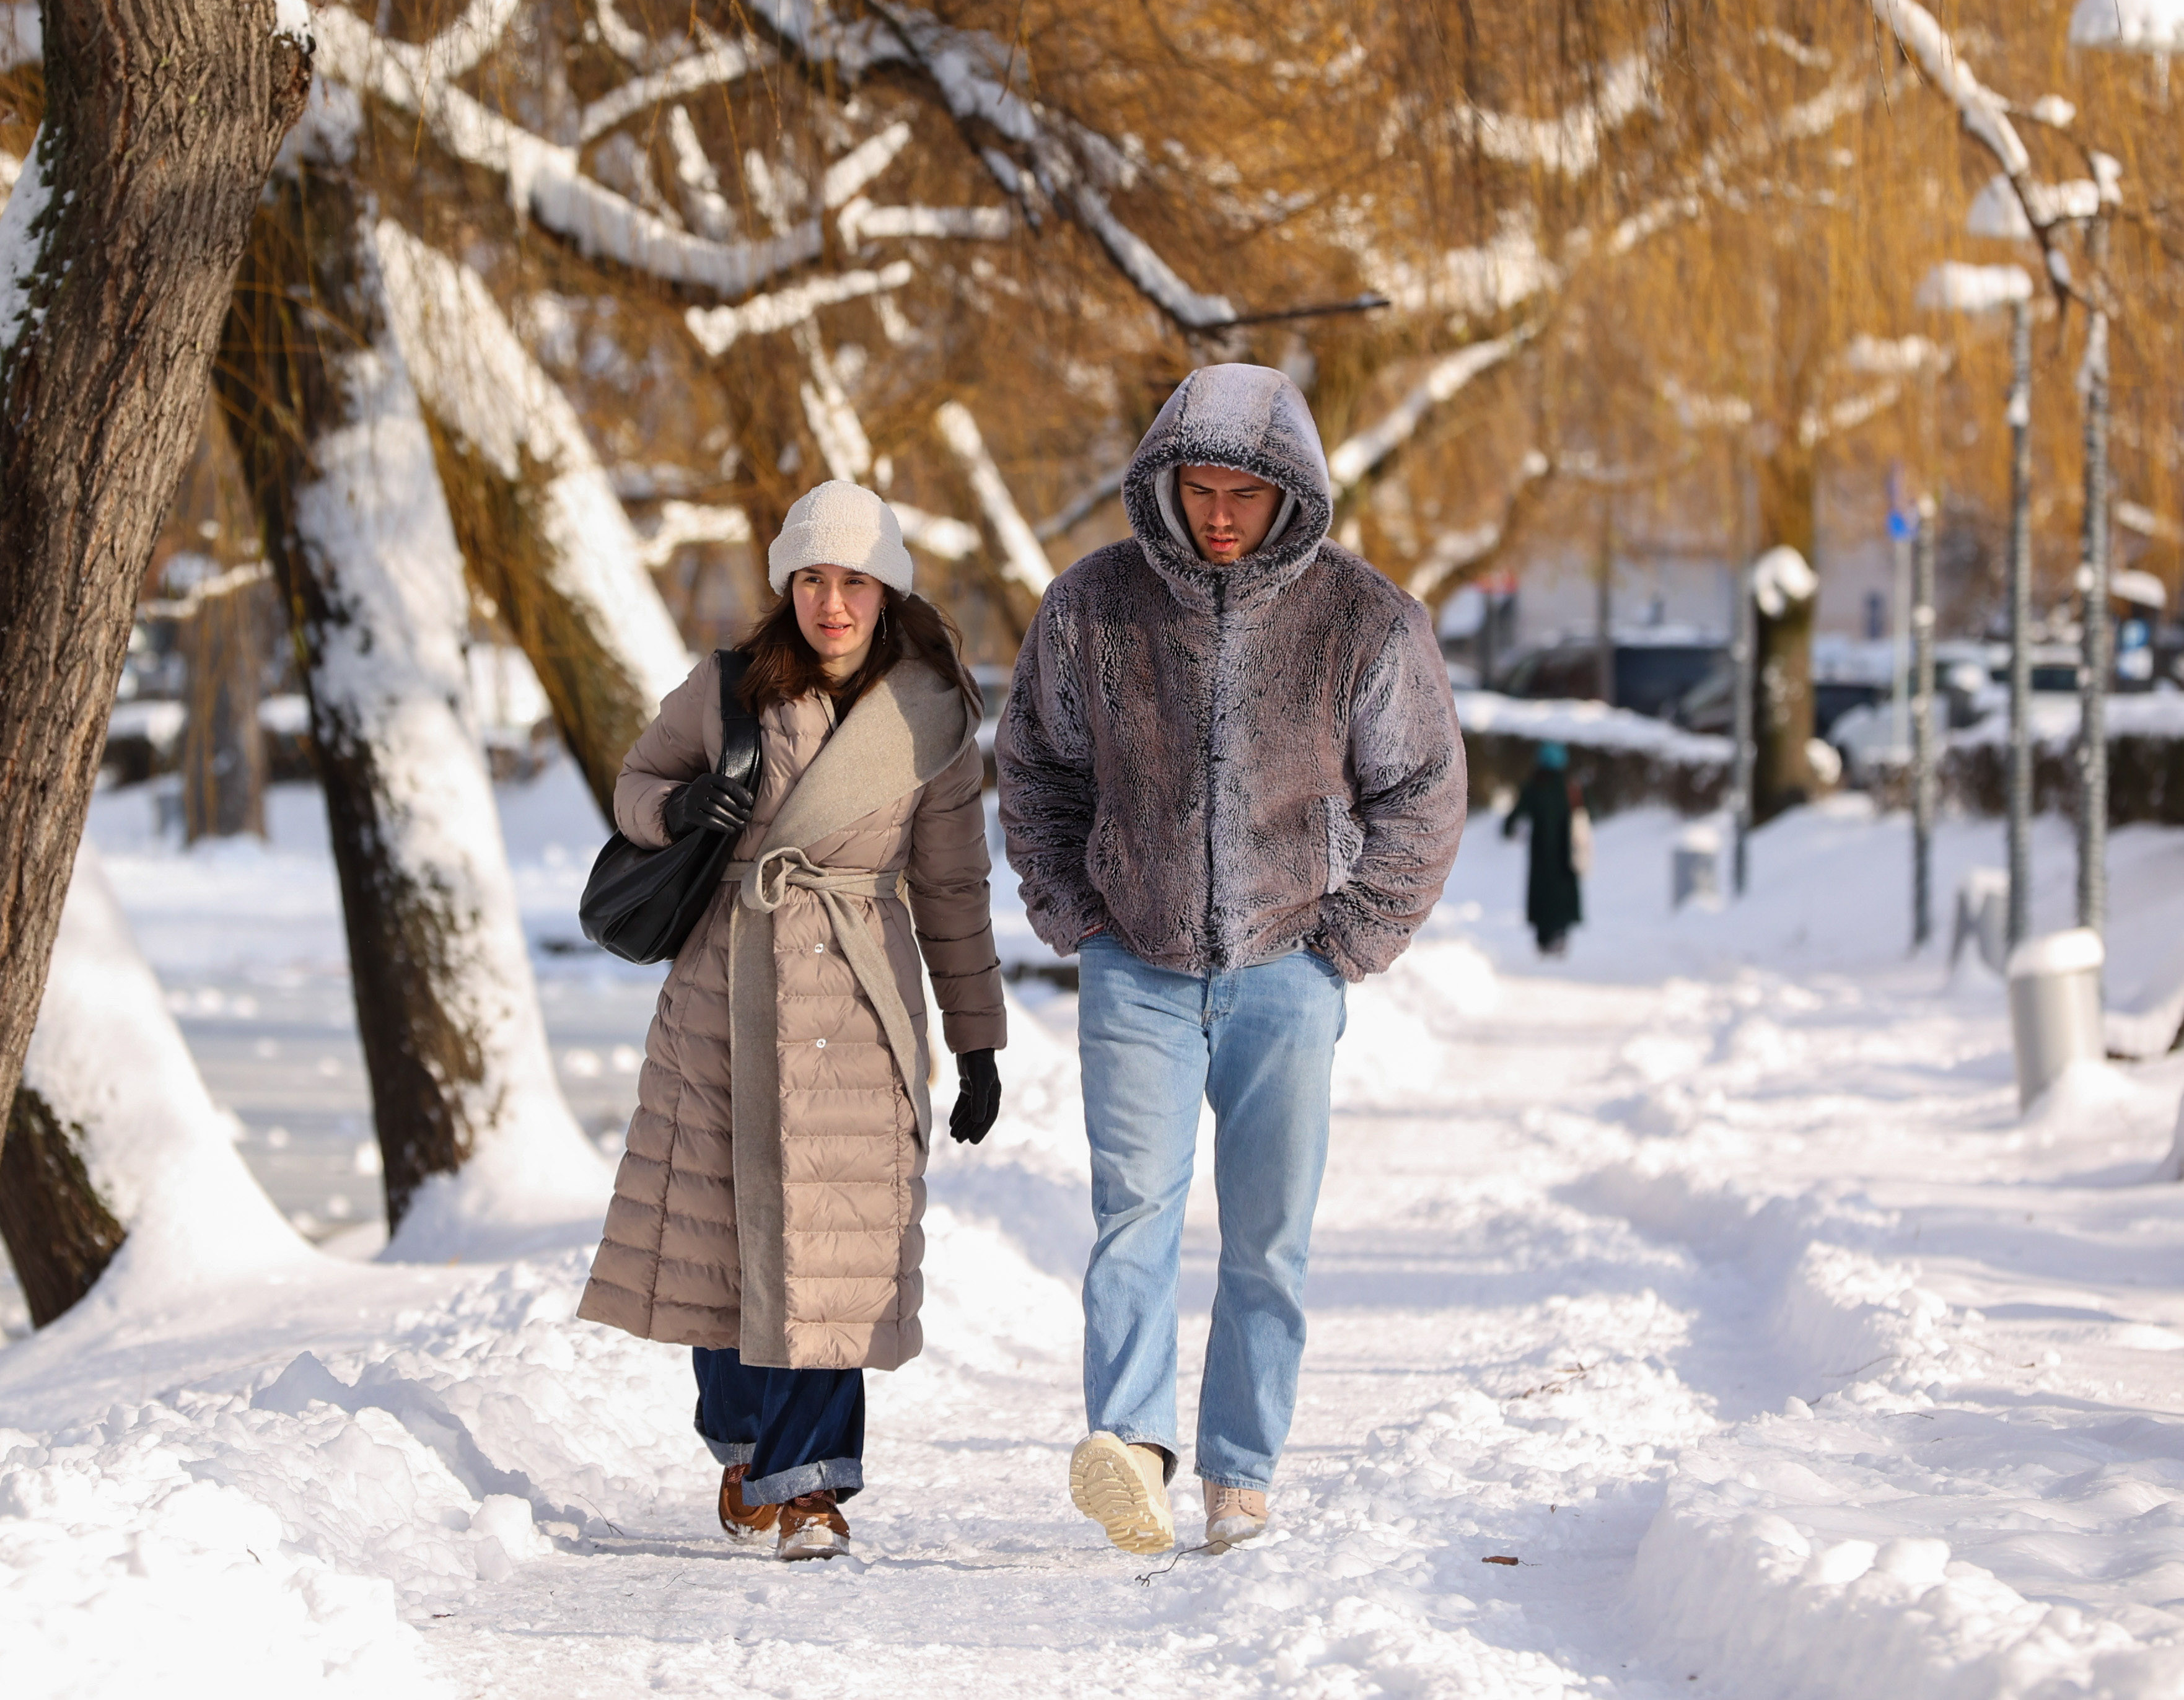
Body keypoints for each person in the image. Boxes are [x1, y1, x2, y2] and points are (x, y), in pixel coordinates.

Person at [996, 365, 1464, 1555]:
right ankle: (1134, 1451)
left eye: (1241, 494)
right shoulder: (1091, 606)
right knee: (1132, 1211)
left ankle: (1241, 1471)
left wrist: (1347, 938)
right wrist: (1071, 905)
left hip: (1287, 968)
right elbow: (1036, 764)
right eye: (1196, 488)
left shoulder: (1362, 619)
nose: (1216, 514)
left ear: (1287, 494)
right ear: (1162, 483)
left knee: (1266, 1233)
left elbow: (1424, 789)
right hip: (1134, 959)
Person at [579, 479, 1007, 1562]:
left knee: (831, 1245)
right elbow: (635, 781)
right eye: (811, 578)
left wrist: (977, 1041)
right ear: (788, 586)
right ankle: (742, 1440)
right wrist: (678, 809)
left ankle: (811, 1484)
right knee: (724, 1241)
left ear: (886, 587)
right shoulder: (727, 688)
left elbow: (954, 887)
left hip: (858, 996)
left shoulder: (931, 716)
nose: (830, 601)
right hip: (727, 986)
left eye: (852, 579)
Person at [1502, 743, 1585, 957]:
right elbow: (1588, 814)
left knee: (1542, 898)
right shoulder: (1571, 789)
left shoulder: (1534, 787)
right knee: (1562, 897)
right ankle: (1561, 937)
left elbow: (1511, 822)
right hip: (1567, 858)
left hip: (1541, 857)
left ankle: (1544, 940)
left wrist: (1512, 831)